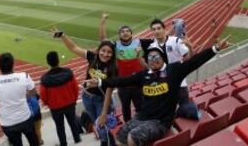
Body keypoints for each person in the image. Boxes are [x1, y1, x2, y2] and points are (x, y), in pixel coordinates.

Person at [85, 37, 230, 146]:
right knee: (120, 136)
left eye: (156, 57)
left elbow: (195, 61)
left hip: (160, 122)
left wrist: (215, 48)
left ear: (162, 58)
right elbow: (121, 81)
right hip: (142, 116)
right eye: (150, 58)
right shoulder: (143, 75)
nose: (153, 60)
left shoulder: (174, 70)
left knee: (133, 137)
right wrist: (100, 82)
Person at [56, 30, 117, 146]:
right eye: (103, 51)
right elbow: (73, 48)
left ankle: (106, 143)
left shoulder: (113, 68)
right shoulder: (92, 57)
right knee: (98, 125)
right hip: (87, 98)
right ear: (99, 50)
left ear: (113, 54)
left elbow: (109, 92)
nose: (105, 54)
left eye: (109, 52)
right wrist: (63, 36)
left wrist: (104, 113)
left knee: (103, 126)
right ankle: (105, 141)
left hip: (102, 101)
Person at [99, 12, 144, 122]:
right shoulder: (115, 45)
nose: (125, 33)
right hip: (123, 86)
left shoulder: (140, 42)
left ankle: (142, 125)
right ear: (119, 35)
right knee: (125, 110)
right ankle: (127, 128)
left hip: (138, 84)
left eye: (127, 31)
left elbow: (160, 39)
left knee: (141, 110)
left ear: (131, 34)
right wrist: (103, 22)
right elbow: (103, 40)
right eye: (122, 31)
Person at [0, 53, 38, 146]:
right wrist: (22, 96)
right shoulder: (24, 76)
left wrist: (3, 99)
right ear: (13, 64)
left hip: (8, 123)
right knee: (34, 142)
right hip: (25, 118)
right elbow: (33, 92)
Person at [146, 19, 193, 112]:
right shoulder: (151, 47)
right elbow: (152, 67)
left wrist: (190, 47)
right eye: (153, 29)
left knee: (185, 107)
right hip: (163, 83)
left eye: (159, 28)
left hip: (179, 81)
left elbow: (187, 58)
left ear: (164, 29)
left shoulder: (176, 40)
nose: (156, 31)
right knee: (167, 110)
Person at [40, 51, 81, 146]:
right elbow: (76, 88)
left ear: (48, 62)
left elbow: (43, 96)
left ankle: (63, 143)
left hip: (55, 107)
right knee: (73, 122)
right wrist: (73, 100)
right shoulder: (68, 72)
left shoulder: (45, 79)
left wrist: (48, 104)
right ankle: (77, 139)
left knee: (59, 127)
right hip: (70, 103)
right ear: (58, 60)